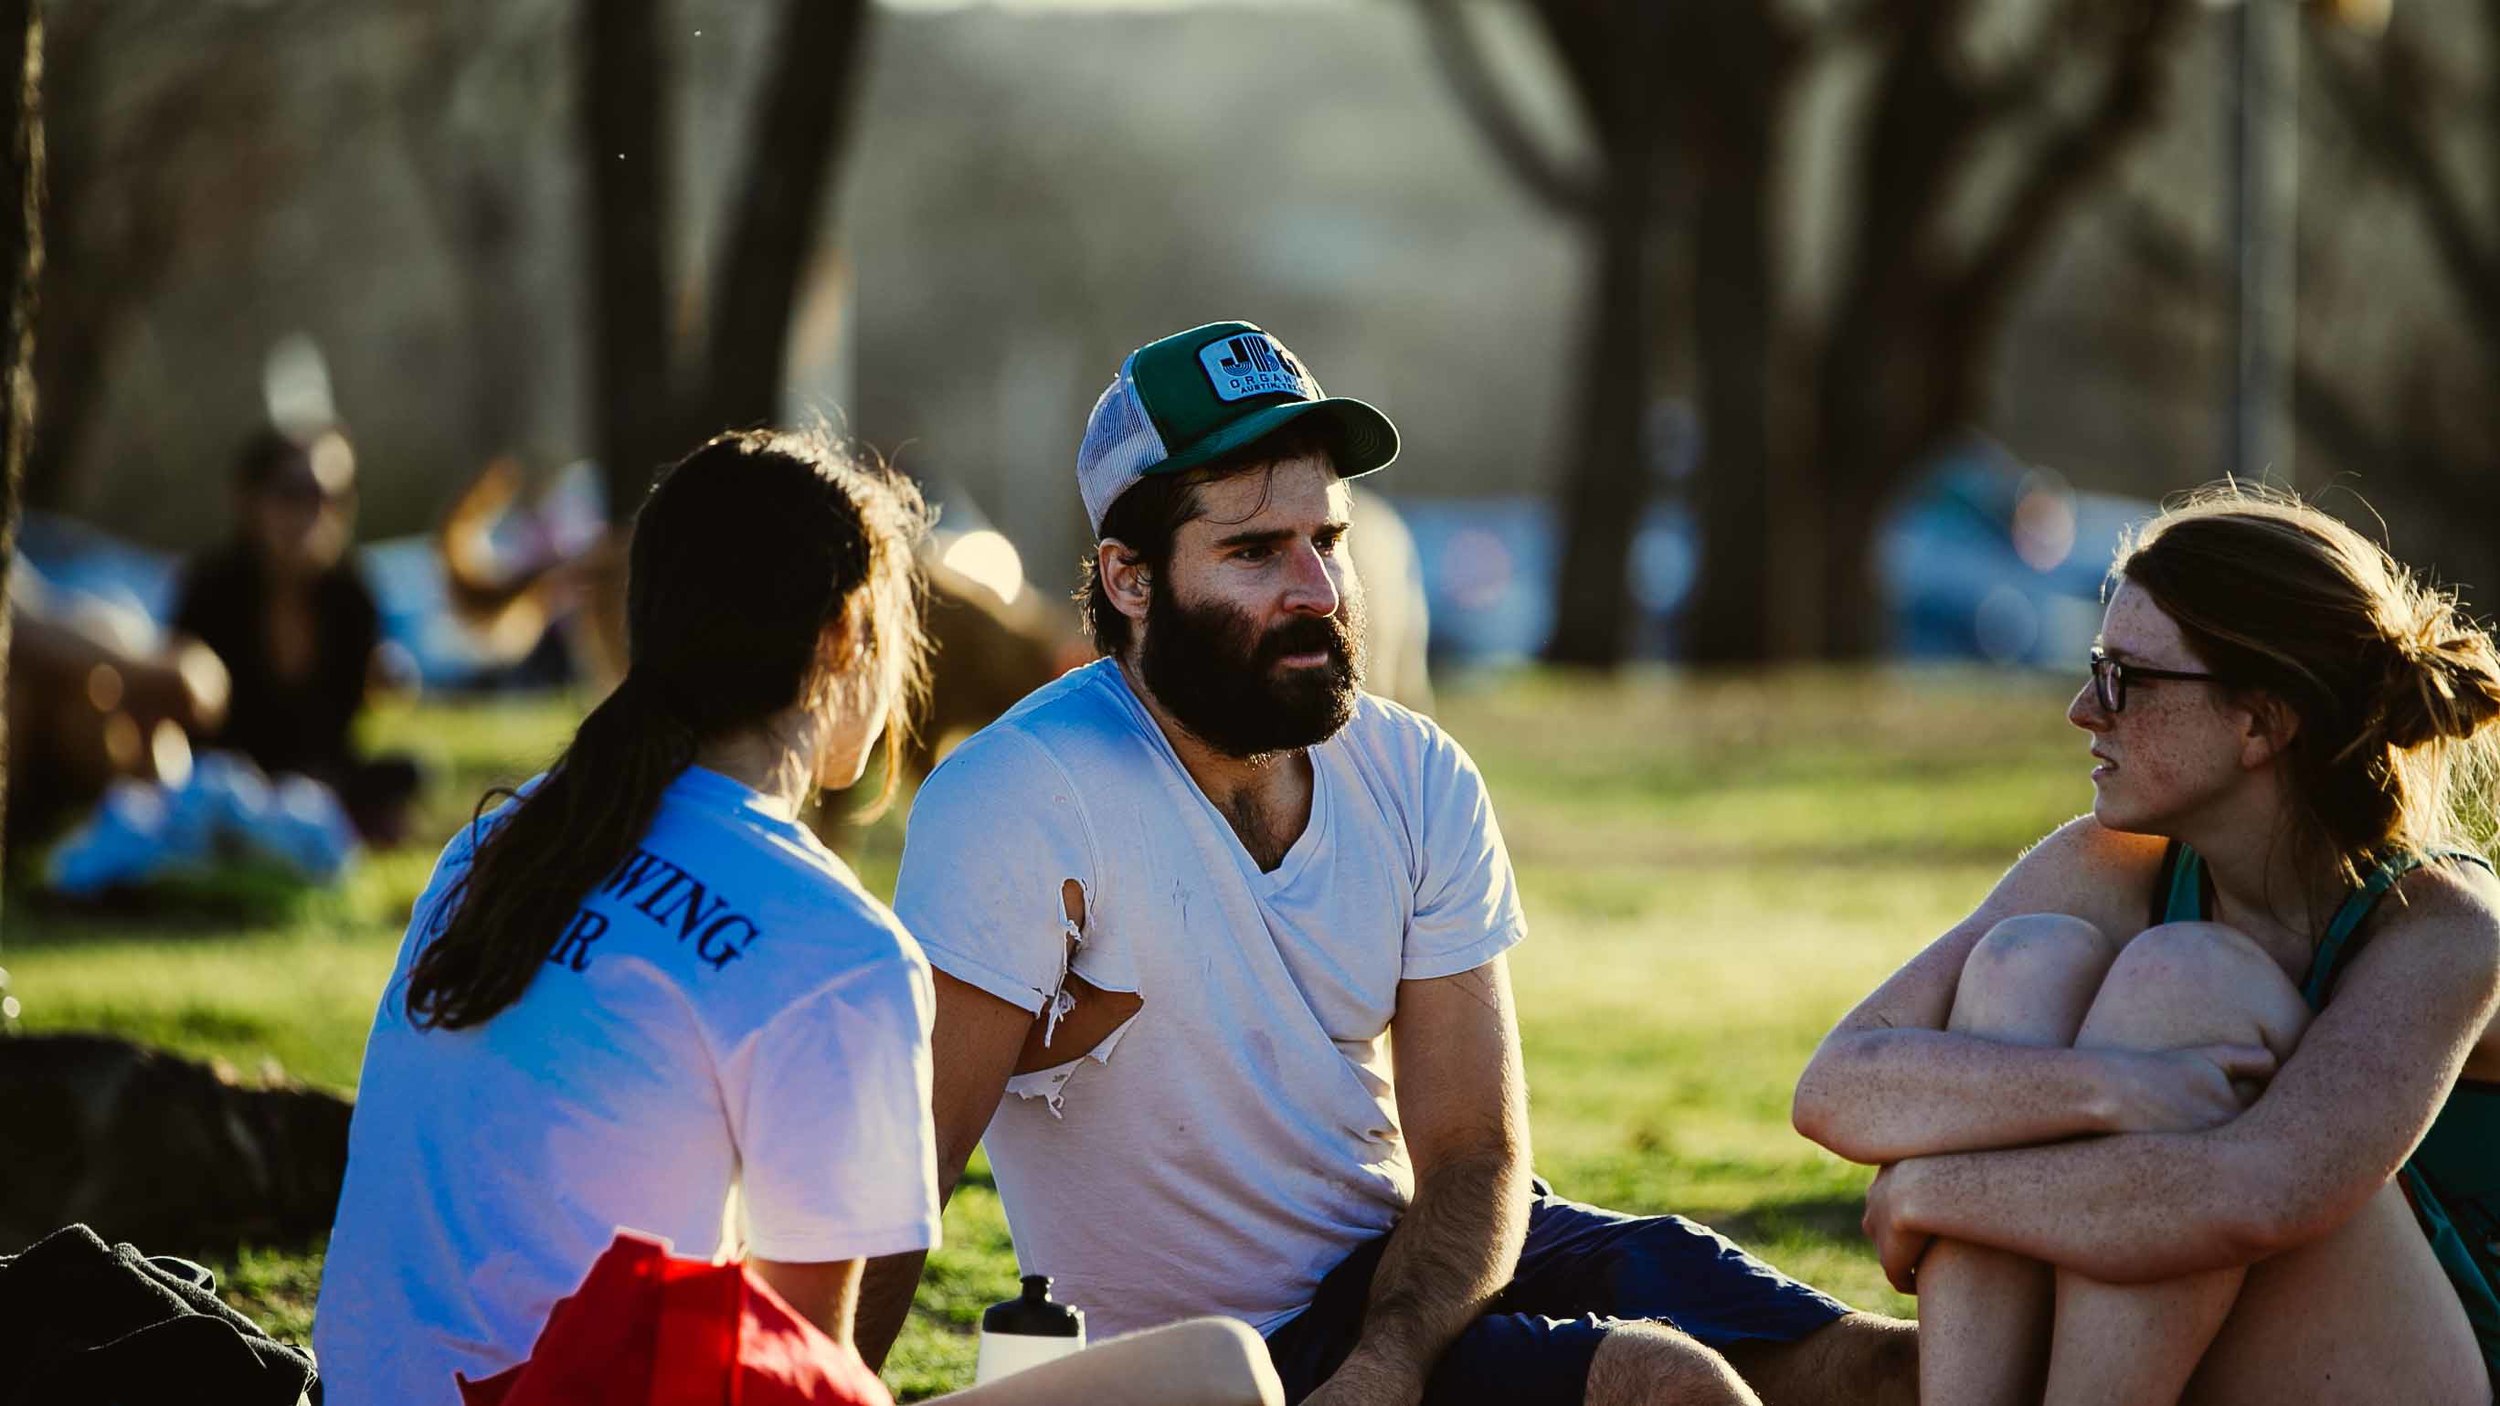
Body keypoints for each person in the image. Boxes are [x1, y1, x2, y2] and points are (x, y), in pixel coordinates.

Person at [859, 322, 1918, 1406]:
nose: (1316, 586)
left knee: (1894, 1369)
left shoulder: (1414, 772)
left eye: (1329, 537)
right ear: (1129, 579)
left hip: (1423, 1271)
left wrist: (1389, 1360)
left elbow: (1473, 1153)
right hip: (1229, 1357)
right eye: (1254, 551)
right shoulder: (1021, 795)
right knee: (1666, 1386)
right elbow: (906, 1172)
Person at [313, 430, 1279, 1406]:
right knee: (1219, 1370)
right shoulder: (835, 946)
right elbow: (805, 1370)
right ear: (845, 634)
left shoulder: (491, 852)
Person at [1794, 485, 2500, 1404]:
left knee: (2187, 983)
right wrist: (2107, 1089)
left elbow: (2261, 1193)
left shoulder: (2441, 923)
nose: (2086, 709)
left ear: (2261, 721)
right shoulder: (2109, 864)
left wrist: (1933, 1191)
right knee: (2022, 965)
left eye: (2129, 676)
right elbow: (1838, 1086)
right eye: (2096, 666)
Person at [171, 425, 419, 842]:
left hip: (321, 777)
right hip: (225, 775)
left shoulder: (352, 595)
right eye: (294, 493)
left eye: (333, 498)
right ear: (251, 500)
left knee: (407, 773)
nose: (315, 514)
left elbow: (344, 724)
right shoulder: (211, 588)